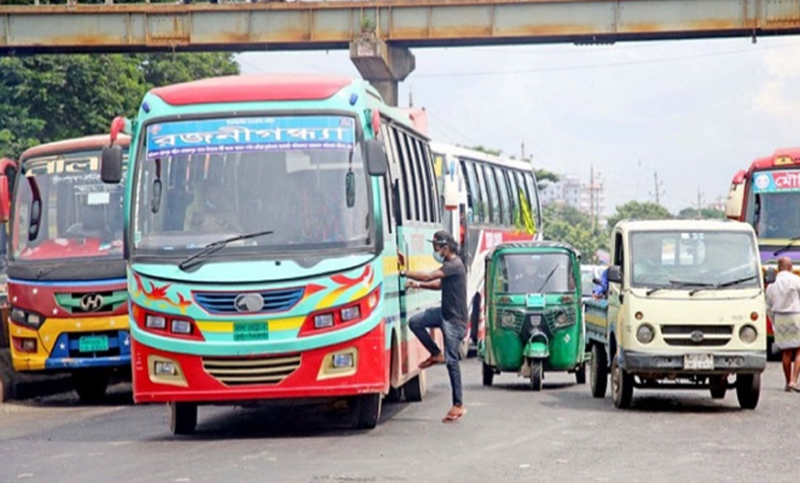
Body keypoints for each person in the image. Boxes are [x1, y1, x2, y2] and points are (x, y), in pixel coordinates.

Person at [400, 230, 468, 423]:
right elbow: (439, 285)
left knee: (452, 361)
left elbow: (430, 277)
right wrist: (417, 285)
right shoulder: (449, 265)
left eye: (436, 248)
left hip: (454, 321)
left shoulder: (454, 264)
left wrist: (404, 272)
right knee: (415, 322)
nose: (435, 251)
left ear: (446, 248)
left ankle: (458, 404)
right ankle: (435, 352)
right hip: (444, 314)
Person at [765, 256, 800, 392]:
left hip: (780, 318)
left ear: (778, 268)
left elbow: (768, 306)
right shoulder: (796, 280)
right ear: (790, 267)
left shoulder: (772, 285)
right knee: (799, 350)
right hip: (796, 316)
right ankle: (794, 380)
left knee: (786, 352)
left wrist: (774, 321)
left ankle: (787, 381)